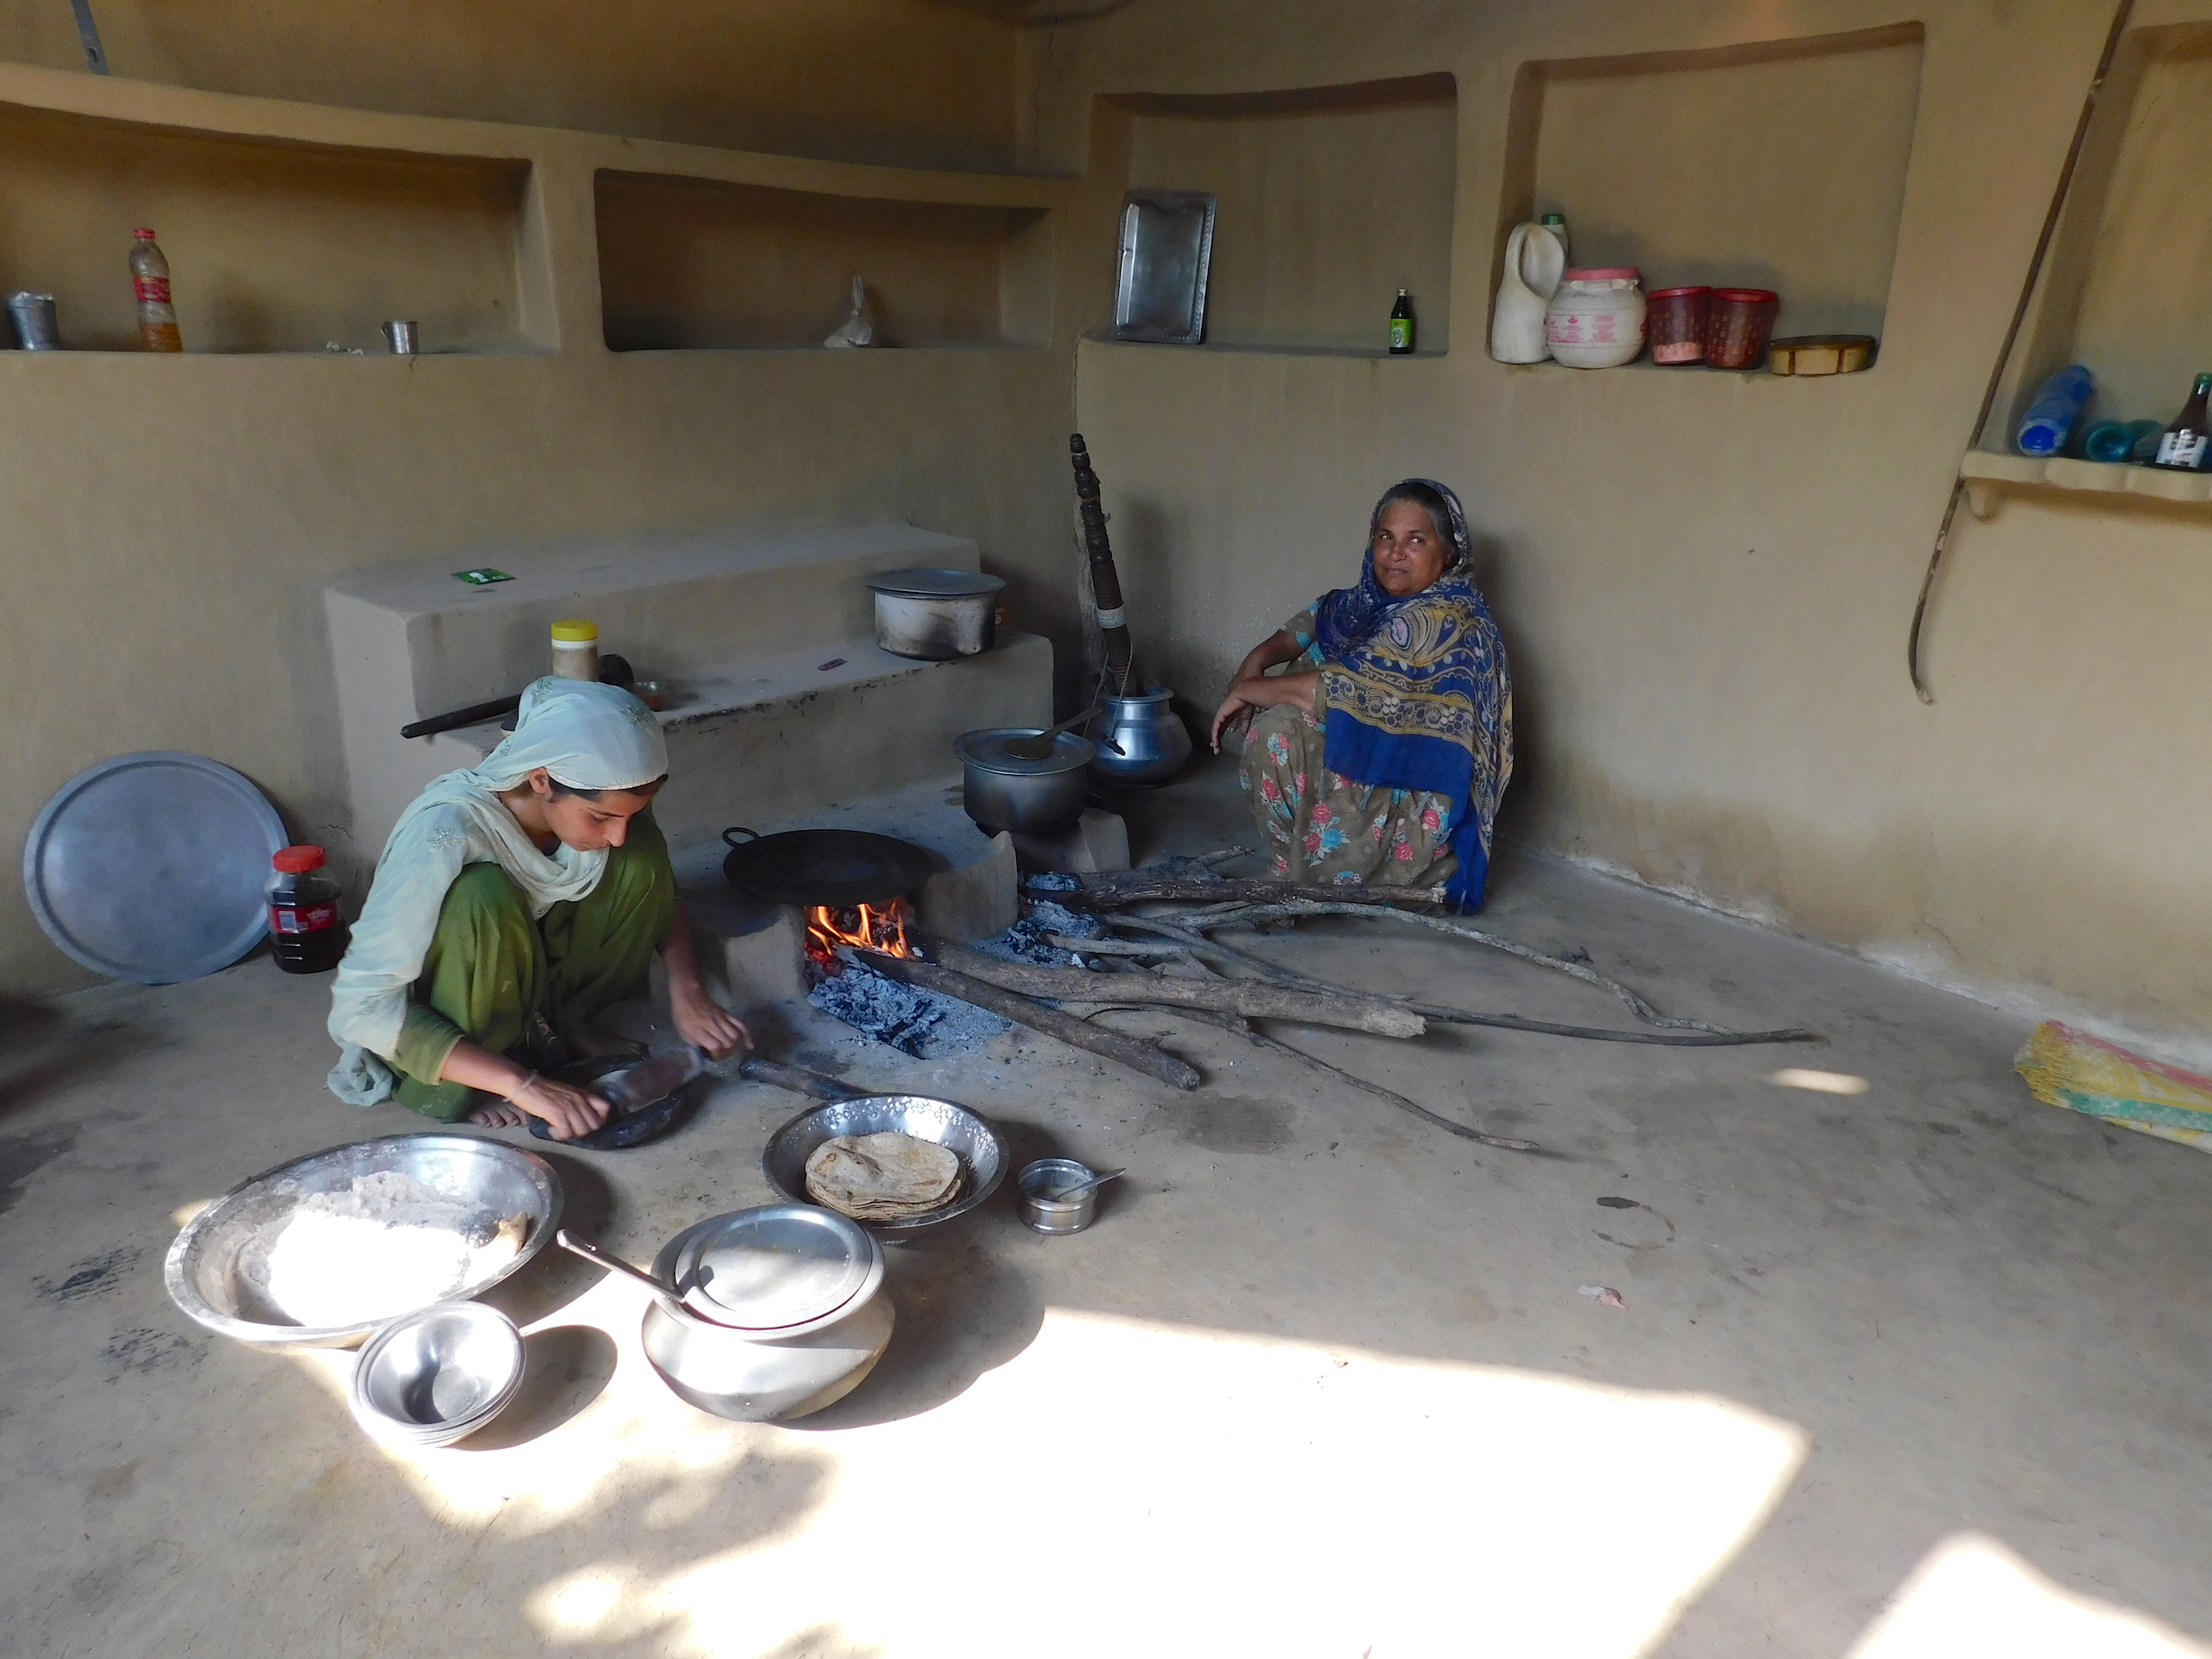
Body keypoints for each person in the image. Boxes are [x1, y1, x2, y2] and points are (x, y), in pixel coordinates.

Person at [326, 677, 747, 1139]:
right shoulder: (443, 836)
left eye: (628, 814)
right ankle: (475, 1071)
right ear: (542, 779)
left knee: (639, 851)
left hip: (537, 976)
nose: (616, 834)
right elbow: (361, 1008)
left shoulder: (604, 806)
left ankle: (563, 1028)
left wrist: (688, 994)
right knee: (481, 893)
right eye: (602, 818)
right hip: (460, 991)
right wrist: (522, 1084)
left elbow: (664, 898)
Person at [1208, 478, 1512, 909]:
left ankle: (1334, 876)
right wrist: (1254, 663)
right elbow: (1305, 627)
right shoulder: (1366, 602)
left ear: (1448, 554)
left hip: (1415, 794)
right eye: (1385, 537)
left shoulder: (1446, 620)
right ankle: (1290, 870)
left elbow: (1342, 692)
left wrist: (1251, 691)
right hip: (1372, 761)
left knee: (1277, 733)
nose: (1394, 553)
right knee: (1297, 683)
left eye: (1416, 541)